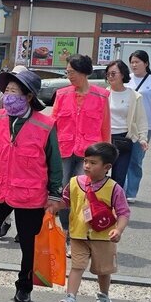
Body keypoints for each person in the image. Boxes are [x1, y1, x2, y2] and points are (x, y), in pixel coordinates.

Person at [0, 67, 63, 302]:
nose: (8, 95)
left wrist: (55, 194)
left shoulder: (46, 125)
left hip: (31, 194)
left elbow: (55, 162)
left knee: (29, 244)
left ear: (28, 96)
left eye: (14, 91)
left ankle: (24, 287)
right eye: (6, 90)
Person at [51, 142, 129, 302]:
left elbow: (124, 212)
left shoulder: (114, 188)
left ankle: (104, 297)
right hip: (78, 235)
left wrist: (118, 230)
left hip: (103, 237)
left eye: (93, 163)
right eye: (86, 161)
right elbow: (66, 202)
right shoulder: (74, 182)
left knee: (103, 270)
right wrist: (53, 207)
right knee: (76, 267)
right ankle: (70, 300)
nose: (86, 165)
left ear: (107, 167)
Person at [52, 54, 109, 233]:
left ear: (83, 72)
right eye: (67, 72)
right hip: (64, 150)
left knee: (83, 192)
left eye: (72, 72)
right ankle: (67, 231)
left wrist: (106, 156)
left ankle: (80, 230)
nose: (69, 76)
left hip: (89, 153)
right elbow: (52, 124)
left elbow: (105, 127)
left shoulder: (101, 96)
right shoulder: (61, 95)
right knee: (63, 192)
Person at [124, 50, 151, 202]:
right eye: (132, 62)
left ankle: (130, 193)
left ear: (146, 63)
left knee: (136, 159)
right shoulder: (125, 79)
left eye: (137, 62)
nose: (134, 65)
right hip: (123, 125)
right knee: (121, 158)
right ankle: (119, 191)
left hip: (144, 127)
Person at [105, 60, 148, 188]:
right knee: (99, 174)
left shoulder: (134, 96)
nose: (110, 77)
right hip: (105, 138)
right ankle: (100, 204)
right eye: (108, 74)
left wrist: (143, 138)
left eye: (113, 73)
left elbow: (141, 119)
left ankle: (115, 204)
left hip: (123, 139)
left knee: (119, 176)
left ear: (123, 74)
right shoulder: (104, 94)